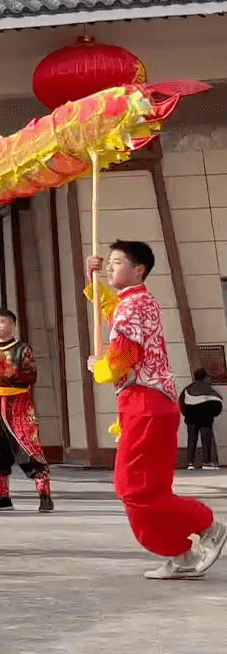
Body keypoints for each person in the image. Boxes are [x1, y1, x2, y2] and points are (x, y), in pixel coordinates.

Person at [85, 242, 227, 579]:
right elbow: (111, 311)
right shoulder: (137, 302)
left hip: (145, 404)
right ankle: (181, 556)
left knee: (131, 490)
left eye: (117, 263)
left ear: (139, 270)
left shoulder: (133, 306)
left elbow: (123, 357)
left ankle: (208, 527)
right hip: (150, 405)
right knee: (150, 491)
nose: (110, 267)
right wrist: (92, 280)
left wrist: (99, 367)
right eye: (109, 263)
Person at [0, 308, 54, 512]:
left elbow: (30, 376)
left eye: (2, 322)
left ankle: (44, 494)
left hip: (17, 405)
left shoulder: (22, 350)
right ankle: (2, 496)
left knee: (29, 446)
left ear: (12, 324)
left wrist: (7, 372)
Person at [181, 369, 222, 470]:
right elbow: (218, 403)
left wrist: (187, 415)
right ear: (205, 377)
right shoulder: (209, 390)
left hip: (191, 420)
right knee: (206, 440)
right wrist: (213, 414)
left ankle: (190, 463)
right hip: (206, 420)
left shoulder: (187, 389)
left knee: (191, 440)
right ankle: (206, 462)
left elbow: (181, 403)